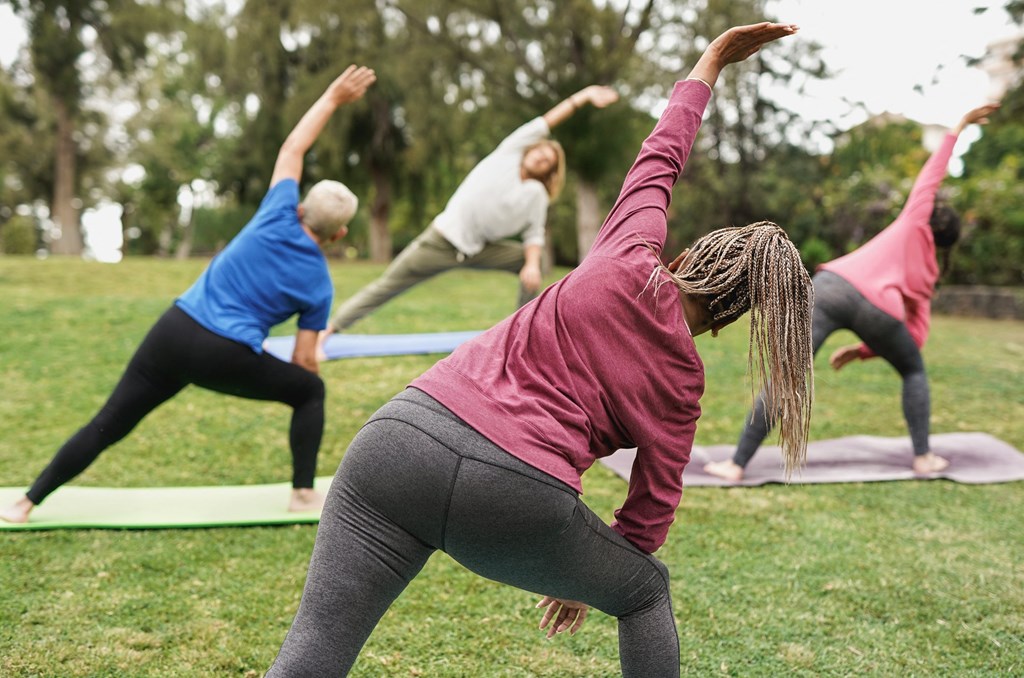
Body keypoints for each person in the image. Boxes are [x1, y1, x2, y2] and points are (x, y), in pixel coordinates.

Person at [267, 23, 809, 678]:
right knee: (645, 591)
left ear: (686, 256)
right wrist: (587, 575)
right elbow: (650, 510)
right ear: (725, 322)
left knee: (320, 636)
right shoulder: (682, 386)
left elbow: (663, 154)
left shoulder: (627, 249)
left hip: (397, 441)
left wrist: (712, 59)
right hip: (514, 496)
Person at [0, 66, 378, 525]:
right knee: (309, 391)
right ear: (338, 235)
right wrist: (310, 367)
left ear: (300, 207)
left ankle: (26, 503)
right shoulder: (319, 283)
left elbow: (293, 147)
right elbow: (303, 360)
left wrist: (334, 98)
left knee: (109, 422)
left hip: (174, 330)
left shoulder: (276, 211)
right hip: (226, 354)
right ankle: (302, 494)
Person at [704, 101, 1001, 483]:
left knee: (785, 374)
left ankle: (735, 464)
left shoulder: (914, 221)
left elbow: (931, 175)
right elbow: (918, 336)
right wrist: (865, 350)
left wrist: (958, 125)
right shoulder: (928, 275)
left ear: (929, 217)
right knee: (913, 370)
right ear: (946, 244)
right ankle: (924, 458)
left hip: (833, 289)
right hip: (879, 311)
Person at [318, 81, 620, 346]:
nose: (542, 157)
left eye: (549, 161)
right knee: (388, 284)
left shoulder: (537, 196)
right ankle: (331, 329)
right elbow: (548, 120)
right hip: (441, 241)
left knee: (533, 261)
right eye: (541, 151)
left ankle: (519, 336)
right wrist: (582, 97)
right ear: (530, 149)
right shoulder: (509, 152)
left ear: (551, 171)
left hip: (479, 251)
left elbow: (533, 234)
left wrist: (530, 265)